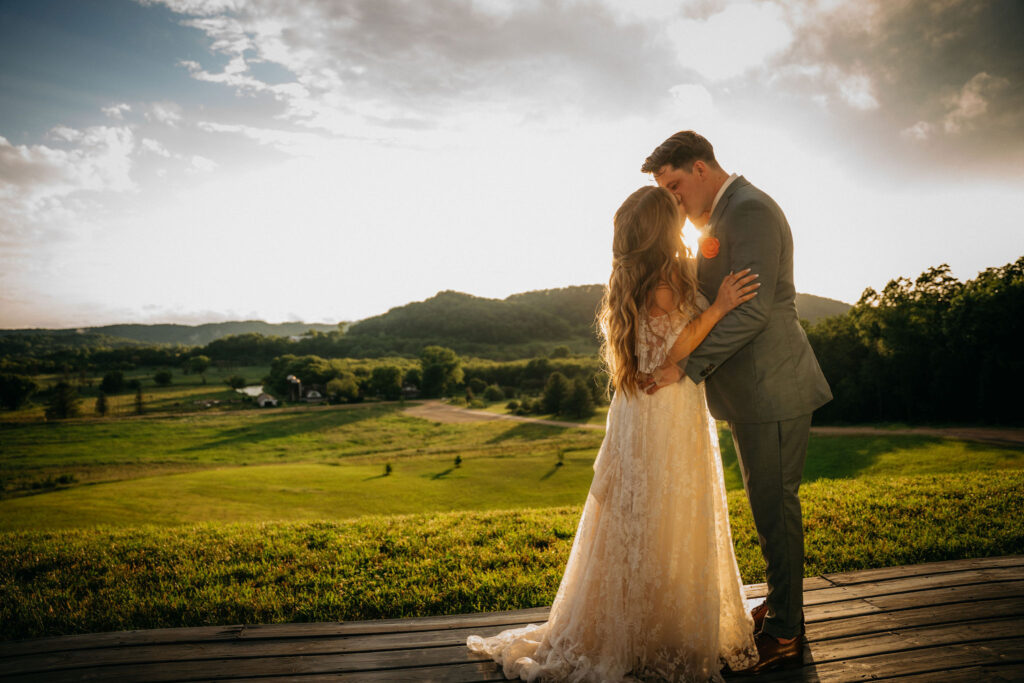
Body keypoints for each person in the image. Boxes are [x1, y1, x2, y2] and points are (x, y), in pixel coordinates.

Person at [466, 184, 762, 682]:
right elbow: (676, 346)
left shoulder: (627, 276)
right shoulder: (668, 275)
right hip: (666, 408)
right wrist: (719, 306)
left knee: (637, 515)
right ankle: (660, 628)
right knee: (668, 511)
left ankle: (639, 621)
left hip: (633, 410)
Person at [641, 131, 833, 674]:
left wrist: (685, 365)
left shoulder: (748, 212)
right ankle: (782, 605)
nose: (673, 200)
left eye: (675, 186)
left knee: (775, 509)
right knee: (767, 505)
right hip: (752, 391)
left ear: (700, 168)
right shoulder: (720, 218)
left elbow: (751, 314)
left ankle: (787, 634)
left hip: (772, 387)